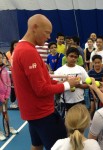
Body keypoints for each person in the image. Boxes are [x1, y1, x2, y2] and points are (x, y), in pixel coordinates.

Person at [12, 14, 79, 150]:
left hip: (33, 112)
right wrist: (67, 85)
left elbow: (43, 80)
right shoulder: (27, 51)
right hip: (42, 113)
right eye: (47, 32)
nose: (49, 37)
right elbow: (41, 89)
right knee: (61, 146)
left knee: (36, 145)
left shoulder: (21, 48)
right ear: (35, 28)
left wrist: (61, 81)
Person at [54, 47, 89, 117]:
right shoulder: (60, 70)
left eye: (75, 57)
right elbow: (54, 86)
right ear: (66, 57)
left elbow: (88, 84)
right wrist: (66, 83)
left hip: (79, 101)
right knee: (66, 124)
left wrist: (78, 85)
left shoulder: (81, 69)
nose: (73, 58)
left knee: (80, 123)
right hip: (65, 102)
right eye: (71, 56)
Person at [0, 51, 18, 141]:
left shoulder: (4, 70)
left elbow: (7, 83)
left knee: (5, 113)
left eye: (1, 57)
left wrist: (6, 97)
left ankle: (7, 127)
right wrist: (1, 98)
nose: (0, 59)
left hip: (4, 97)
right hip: (0, 98)